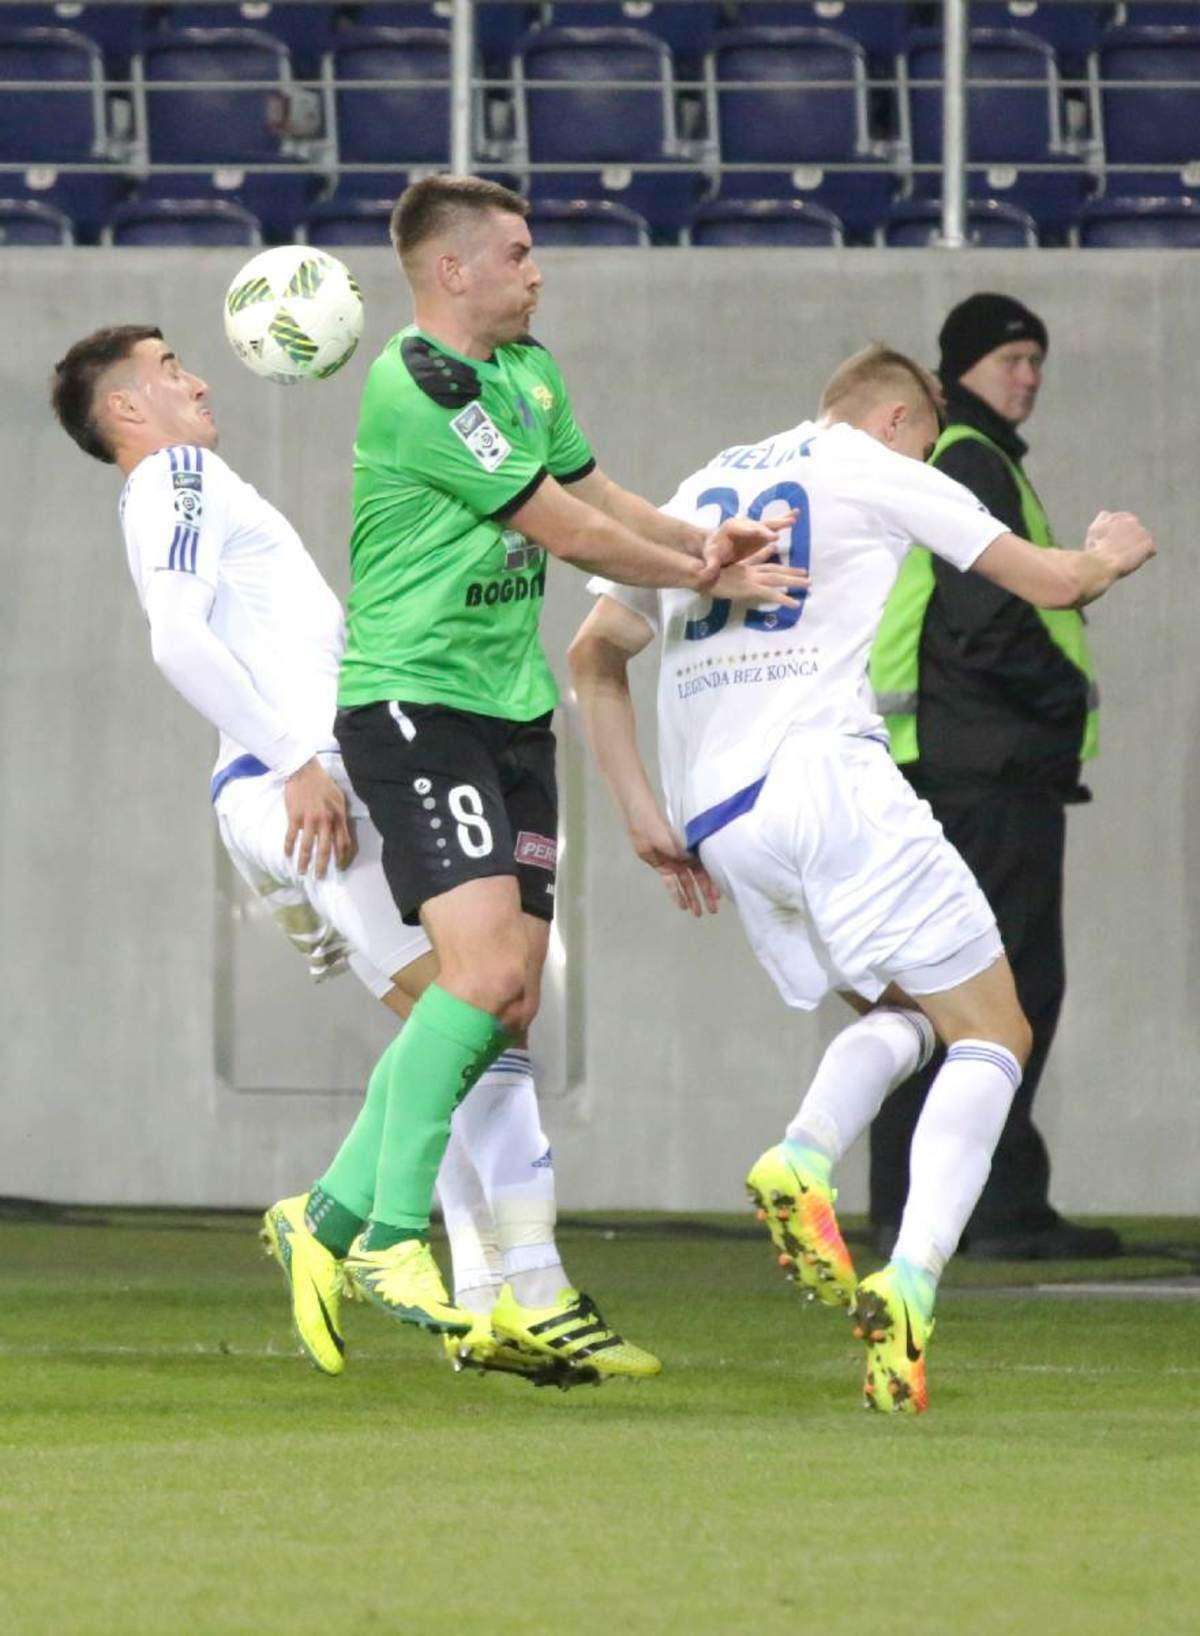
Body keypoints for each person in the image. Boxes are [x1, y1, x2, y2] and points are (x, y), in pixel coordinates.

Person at [49, 321, 661, 1388]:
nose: (198, 380)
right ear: (127, 410)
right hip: (305, 782)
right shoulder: (177, 477)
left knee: (464, 1024)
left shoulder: (183, 490)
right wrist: (294, 759)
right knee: (483, 1002)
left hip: (292, 786)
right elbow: (176, 637)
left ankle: (476, 1289)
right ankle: (459, 1261)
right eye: (170, 369)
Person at [567, 345, 1154, 1414]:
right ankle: (903, 1269)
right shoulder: (870, 465)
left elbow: (593, 655)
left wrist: (641, 811)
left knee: (910, 1014)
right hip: (828, 783)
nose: (924, 461)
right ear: (895, 421)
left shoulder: (701, 487)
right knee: (997, 1033)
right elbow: (1053, 582)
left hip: (721, 820)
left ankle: (807, 1162)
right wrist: (1109, 554)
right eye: (925, 442)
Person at [328, 172, 804, 1356]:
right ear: (452, 270)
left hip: (510, 710)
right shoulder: (421, 384)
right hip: (415, 701)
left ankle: (323, 1214)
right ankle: (393, 1234)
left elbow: (599, 492)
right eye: (518, 253)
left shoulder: (529, 371)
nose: (538, 271)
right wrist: (700, 575)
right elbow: (562, 526)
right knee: (482, 973)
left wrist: (701, 539)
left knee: (507, 999)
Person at [869, 293, 1119, 1261]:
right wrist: (1058, 704)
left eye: (1037, 360)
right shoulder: (971, 460)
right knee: (1010, 992)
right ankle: (995, 1206)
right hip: (990, 769)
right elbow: (987, 622)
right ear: (961, 368)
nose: (1029, 376)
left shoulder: (959, 456)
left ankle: (918, 1204)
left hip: (947, 766)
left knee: (937, 992)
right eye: (1012, 358)